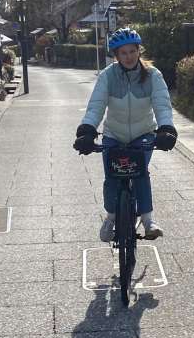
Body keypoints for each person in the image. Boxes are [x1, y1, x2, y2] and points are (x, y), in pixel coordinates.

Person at [74, 28, 178, 241]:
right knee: (112, 177)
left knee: (140, 173)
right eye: (123, 53)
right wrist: (87, 131)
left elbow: (162, 104)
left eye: (132, 51)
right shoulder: (107, 76)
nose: (129, 56)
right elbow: (96, 106)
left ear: (139, 51)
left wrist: (166, 128)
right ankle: (111, 218)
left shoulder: (153, 75)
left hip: (144, 133)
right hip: (114, 133)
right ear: (116, 55)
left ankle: (148, 220)